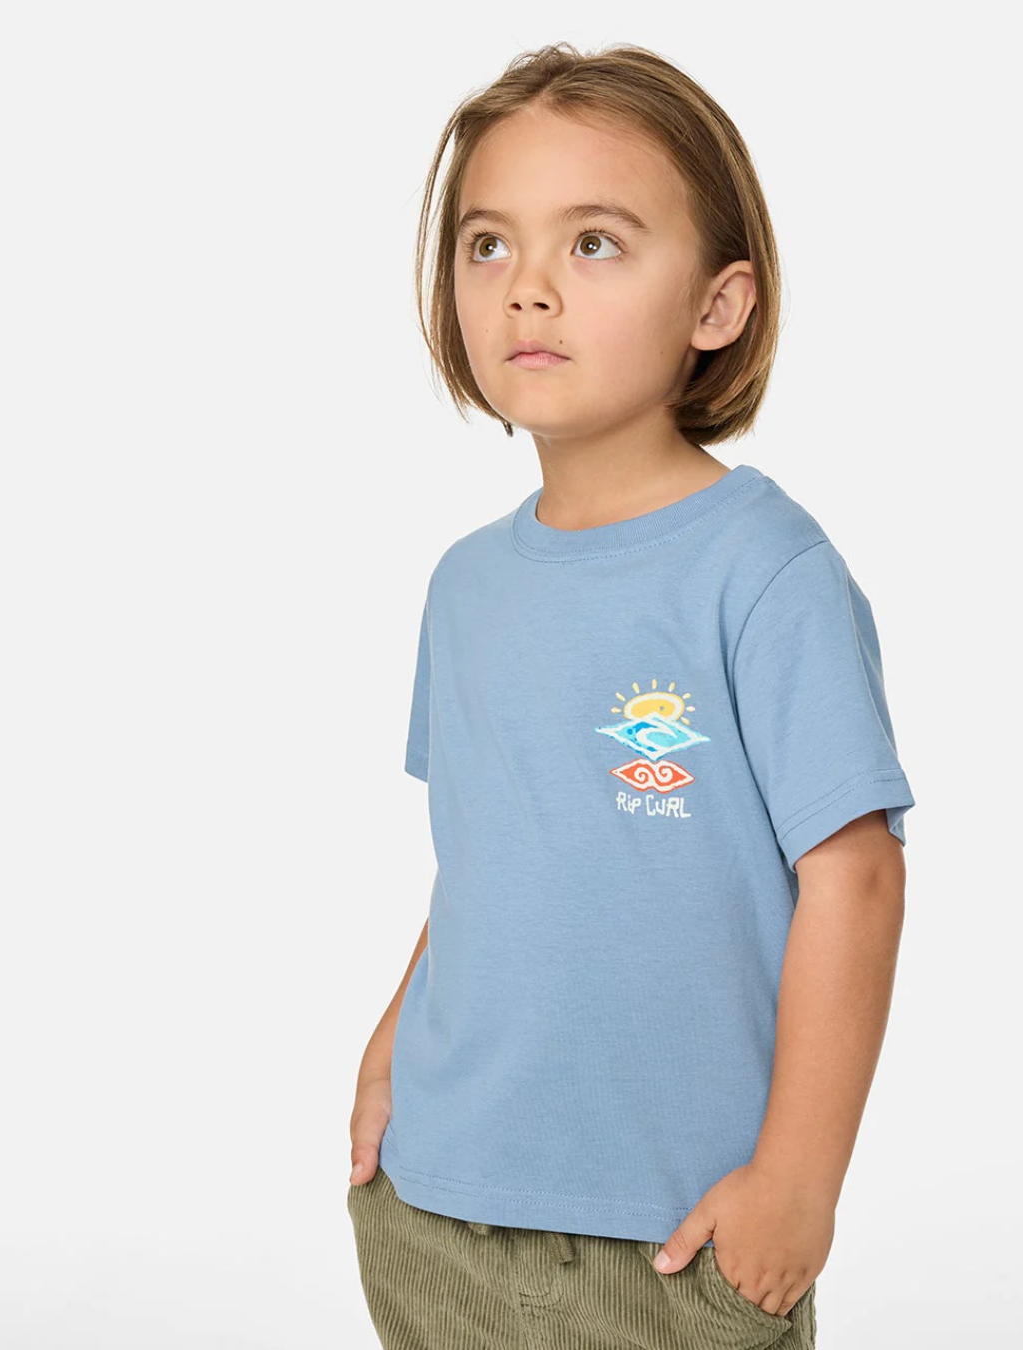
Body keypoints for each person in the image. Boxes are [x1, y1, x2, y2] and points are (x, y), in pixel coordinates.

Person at [346, 40, 915, 1350]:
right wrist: (387, 1049)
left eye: (594, 243)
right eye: (488, 243)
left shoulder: (764, 571)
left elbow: (856, 878)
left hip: (669, 1244)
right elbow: (488, 859)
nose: (528, 286)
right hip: (434, 1207)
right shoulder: (466, 584)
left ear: (717, 306)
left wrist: (798, 1183)